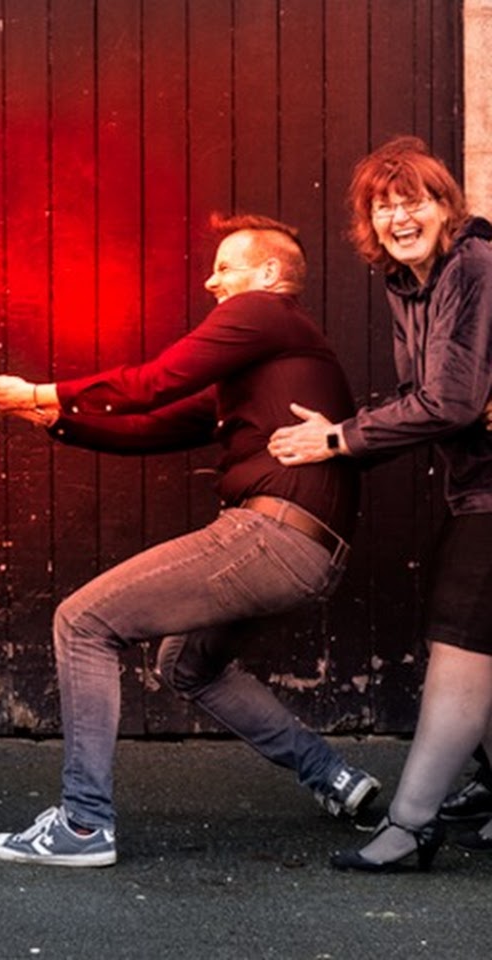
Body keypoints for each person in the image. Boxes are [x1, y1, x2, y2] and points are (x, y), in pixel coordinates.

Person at [0, 213, 379, 867]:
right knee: (188, 666)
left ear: (269, 273)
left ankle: (83, 824)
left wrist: (35, 386)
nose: (211, 281)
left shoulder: (265, 311)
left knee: (82, 622)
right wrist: (42, 413)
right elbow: (154, 423)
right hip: (307, 551)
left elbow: (153, 382)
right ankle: (332, 776)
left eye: (225, 268)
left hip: (272, 535)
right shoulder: (265, 363)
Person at [269, 136, 492, 871]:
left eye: (414, 200)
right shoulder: (411, 284)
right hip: (475, 485)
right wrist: (339, 444)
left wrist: (339, 439)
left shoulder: (473, 266)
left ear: (445, 205)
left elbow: (451, 401)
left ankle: (412, 822)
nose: (399, 217)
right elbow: (421, 399)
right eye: (383, 206)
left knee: (460, 647)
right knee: (473, 644)